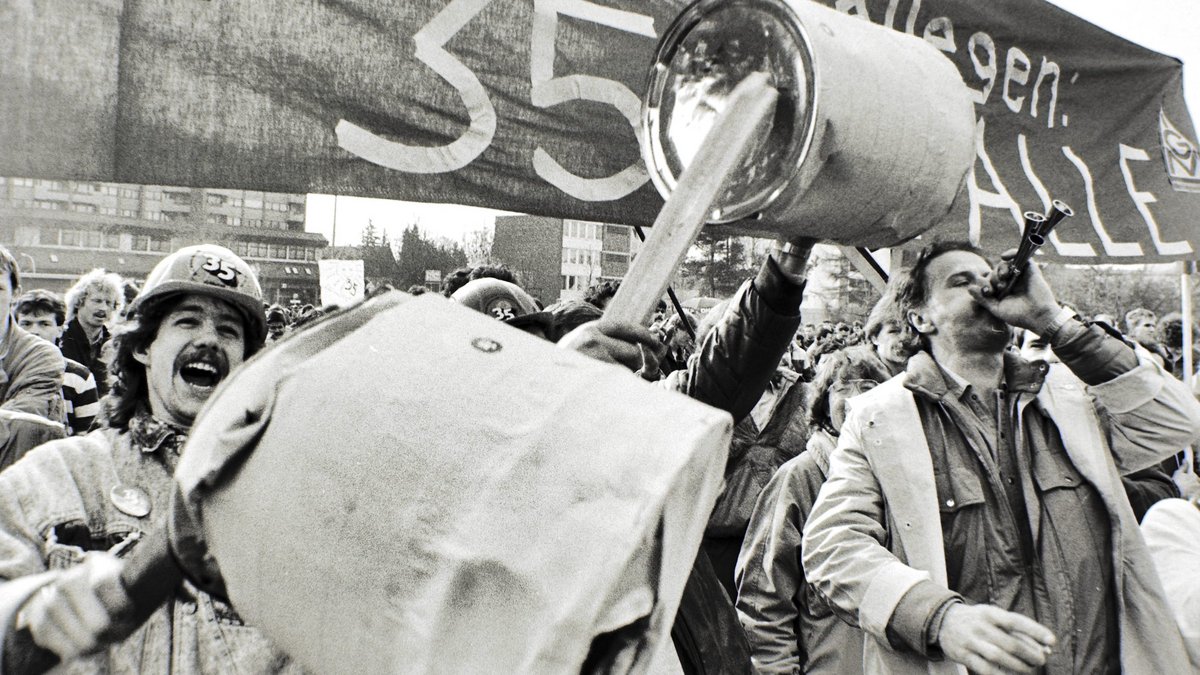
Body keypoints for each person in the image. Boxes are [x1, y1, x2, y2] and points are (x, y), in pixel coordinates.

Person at [802, 241, 1200, 674]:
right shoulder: (878, 416)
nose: (987, 287)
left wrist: (1052, 321)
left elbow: (1177, 422)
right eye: (961, 281)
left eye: (987, 276)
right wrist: (939, 618)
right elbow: (833, 546)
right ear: (920, 317)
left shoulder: (1074, 396)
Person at [0, 244, 302, 673]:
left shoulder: (286, 505)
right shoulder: (58, 473)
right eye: (187, 321)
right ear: (143, 347)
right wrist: (29, 607)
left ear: (248, 366)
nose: (208, 340)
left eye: (229, 331)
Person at [735, 347, 890, 673]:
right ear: (823, 404)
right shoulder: (800, 477)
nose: (855, 399)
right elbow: (762, 602)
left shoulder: (902, 476)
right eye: (841, 387)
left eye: (868, 386)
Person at [12, 289, 101, 435]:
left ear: (60, 330)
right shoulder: (6, 372)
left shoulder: (79, 376)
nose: (34, 331)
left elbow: (88, 437)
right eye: (26, 323)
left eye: (44, 324)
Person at [61, 269, 124, 397]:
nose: (103, 308)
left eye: (108, 303)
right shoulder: (61, 337)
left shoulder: (115, 344)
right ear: (79, 302)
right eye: (97, 301)